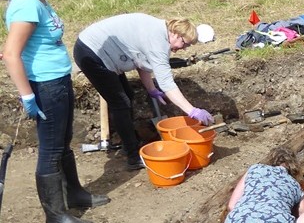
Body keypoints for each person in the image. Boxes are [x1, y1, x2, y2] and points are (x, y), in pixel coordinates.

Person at [2, 0, 109, 223]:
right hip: (45, 87)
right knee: (50, 151)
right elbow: (10, 54)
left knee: (63, 143)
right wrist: (27, 96)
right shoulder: (26, 5)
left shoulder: (37, 1)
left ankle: (74, 194)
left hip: (57, 82)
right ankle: (56, 216)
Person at [73, 14, 215, 170]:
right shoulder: (158, 42)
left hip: (100, 51)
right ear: (176, 33)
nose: (183, 49)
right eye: (184, 43)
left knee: (128, 95)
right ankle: (133, 157)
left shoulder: (158, 31)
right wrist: (192, 111)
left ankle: (129, 143)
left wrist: (152, 90)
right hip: (92, 52)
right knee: (120, 103)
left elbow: (141, 63)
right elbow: (167, 83)